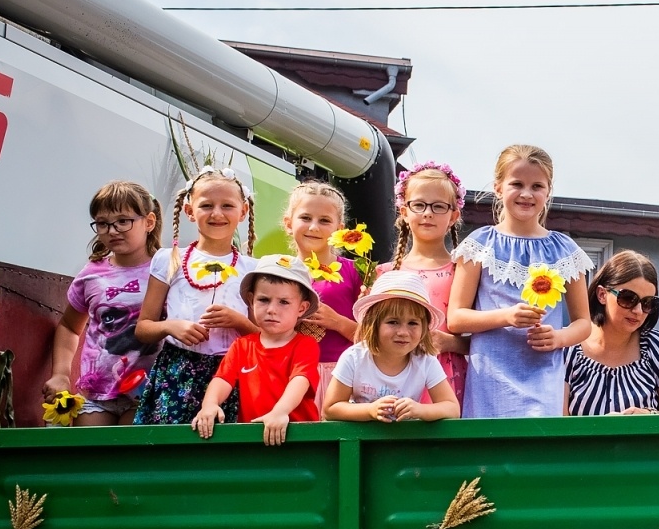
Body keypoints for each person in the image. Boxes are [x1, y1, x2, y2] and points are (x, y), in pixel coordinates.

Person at [449, 145, 593, 418]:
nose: (527, 194)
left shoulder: (565, 250)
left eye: (537, 186)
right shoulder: (480, 245)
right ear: (499, 187)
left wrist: (559, 337)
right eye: (517, 183)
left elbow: (583, 323)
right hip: (490, 379)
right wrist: (507, 316)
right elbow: (456, 318)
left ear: (548, 191)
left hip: (543, 378)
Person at [133, 167, 259, 424]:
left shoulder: (253, 269)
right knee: (173, 447)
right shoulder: (169, 259)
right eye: (206, 205)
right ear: (190, 211)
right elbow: (143, 327)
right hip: (177, 371)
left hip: (232, 371)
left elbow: (264, 335)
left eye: (227, 206)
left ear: (243, 211)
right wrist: (172, 326)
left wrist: (238, 321)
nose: (216, 213)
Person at [46, 181, 163, 425]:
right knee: (91, 456)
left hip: (148, 391)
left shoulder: (165, 270)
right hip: (98, 391)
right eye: (102, 223)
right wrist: (60, 375)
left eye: (123, 221)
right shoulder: (90, 274)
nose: (112, 230)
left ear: (149, 222)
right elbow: (69, 326)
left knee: (128, 457)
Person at [192, 255, 320, 444]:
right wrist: (209, 405)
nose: (271, 309)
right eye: (264, 300)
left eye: (284, 302)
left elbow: (300, 381)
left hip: (298, 437)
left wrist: (280, 412)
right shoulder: (242, 345)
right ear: (251, 300)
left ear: (302, 308)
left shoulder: (306, 345)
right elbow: (222, 380)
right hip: (254, 437)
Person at [380, 161, 468, 401]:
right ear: (404, 211)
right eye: (419, 205)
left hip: (447, 375)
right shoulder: (385, 273)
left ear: (453, 215)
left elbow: (484, 342)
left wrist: (451, 343)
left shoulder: (464, 272)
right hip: (395, 378)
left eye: (439, 206)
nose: (428, 213)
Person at [323, 270, 460, 422]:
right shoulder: (354, 358)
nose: (403, 332)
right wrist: (369, 410)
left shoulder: (425, 361)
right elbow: (330, 409)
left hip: (406, 441)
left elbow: (452, 408)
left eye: (413, 323)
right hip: (361, 442)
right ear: (373, 324)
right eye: (393, 322)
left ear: (425, 328)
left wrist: (420, 410)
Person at [564, 250, 659, 415]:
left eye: (648, 303)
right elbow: (557, 423)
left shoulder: (655, 347)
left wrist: (649, 416)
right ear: (602, 295)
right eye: (628, 298)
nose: (638, 310)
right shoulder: (568, 348)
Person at [281, 181, 361, 413]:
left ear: (340, 228)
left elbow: (376, 337)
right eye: (305, 218)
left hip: (341, 376)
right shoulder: (278, 271)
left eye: (324, 220)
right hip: (288, 373)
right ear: (288, 223)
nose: (314, 227)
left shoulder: (357, 272)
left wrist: (338, 322)